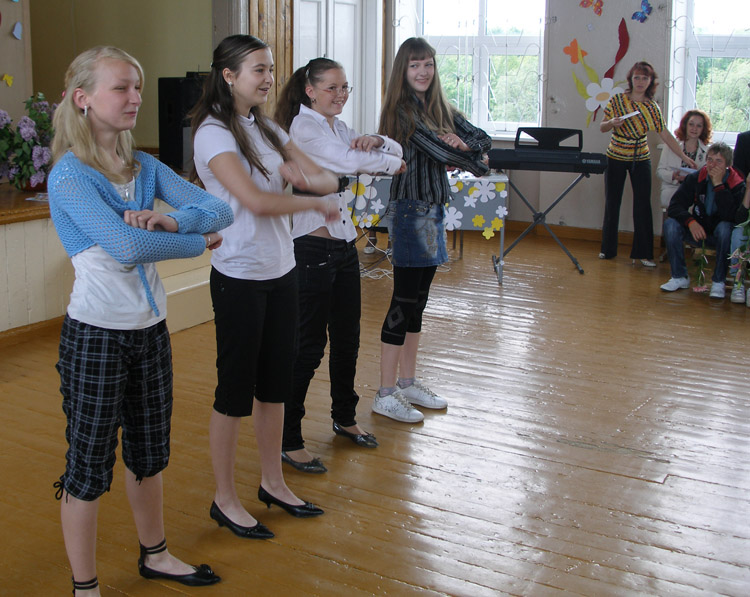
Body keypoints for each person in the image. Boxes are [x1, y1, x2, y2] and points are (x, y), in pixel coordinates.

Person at [47, 46, 232, 595]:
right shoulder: (70, 176)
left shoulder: (144, 167)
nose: (135, 98)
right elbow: (127, 247)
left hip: (149, 333)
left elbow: (219, 207)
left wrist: (170, 222)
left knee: (149, 456)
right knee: (88, 466)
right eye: (121, 87)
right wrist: (199, 242)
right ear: (83, 98)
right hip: (95, 336)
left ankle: (156, 555)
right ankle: (85, 587)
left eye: (138, 87)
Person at [191, 35, 341, 534]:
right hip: (239, 275)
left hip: (282, 270)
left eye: (271, 68)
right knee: (234, 392)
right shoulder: (213, 134)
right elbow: (255, 202)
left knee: (275, 387)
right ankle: (224, 498)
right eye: (258, 69)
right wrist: (310, 196)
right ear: (229, 75)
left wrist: (310, 181)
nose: (269, 78)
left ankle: (273, 482)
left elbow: (328, 179)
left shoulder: (269, 128)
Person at [273, 58, 406, 472]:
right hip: (312, 249)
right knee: (309, 346)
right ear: (310, 90)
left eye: (345, 87)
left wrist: (377, 140)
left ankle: (344, 417)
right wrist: (390, 163)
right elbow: (348, 162)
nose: (340, 95)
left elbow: (392, 149)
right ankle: (288, 438)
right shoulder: (304, 128)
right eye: (331, 88)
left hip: (344, 246)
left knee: (348, 340)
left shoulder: (340, 127)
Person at [373, 37, 491, 423]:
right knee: (403, 301)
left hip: (434, 211)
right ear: (403, 71)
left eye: (428, 64)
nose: (423, 72)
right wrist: (475, 160)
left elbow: (482, 138)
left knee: (418, 303)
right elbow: (443, 154)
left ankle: (407, 382)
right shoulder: (402, 111)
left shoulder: (441, 108)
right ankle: (385, 393)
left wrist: (467, 147)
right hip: (411, 212)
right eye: (414, 65)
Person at [599, 61, 697, 266]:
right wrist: (612, 123)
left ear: (650, 81)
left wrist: (684, 156)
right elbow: (602, 127)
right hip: (615, 156)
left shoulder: (652, 107)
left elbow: (665, 134)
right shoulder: (617, 100)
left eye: (645, 78)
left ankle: (643, 253)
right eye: (637, 77)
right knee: (612, 202)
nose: (640, 81)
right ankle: (607, 250)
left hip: (641, 157)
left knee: (642, 204)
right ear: (631, 79)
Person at [660, 142, 746, 299]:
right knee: (670, 224)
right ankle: (679, 276)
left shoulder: (737, 183)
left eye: (718, 161)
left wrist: (718, 185)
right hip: (698, 229)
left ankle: (719, 281)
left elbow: (731, 216)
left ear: (727, 165)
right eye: (710, 160)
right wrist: (690, 222)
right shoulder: (696, 178)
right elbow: (675, 206)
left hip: (722, 234)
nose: (712, 165)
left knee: (725, 227)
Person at [656, 109, 711, 208]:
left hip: (694, 190)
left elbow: (707, 177)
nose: (694, 128)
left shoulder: (707, 151)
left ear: (703, 129)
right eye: (691, 124)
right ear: (685, 125)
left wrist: (694, 178)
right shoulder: (671, 145)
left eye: (699, 126)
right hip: (672, 187)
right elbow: (660, 171)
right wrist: (673, 176)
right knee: (676, 202)